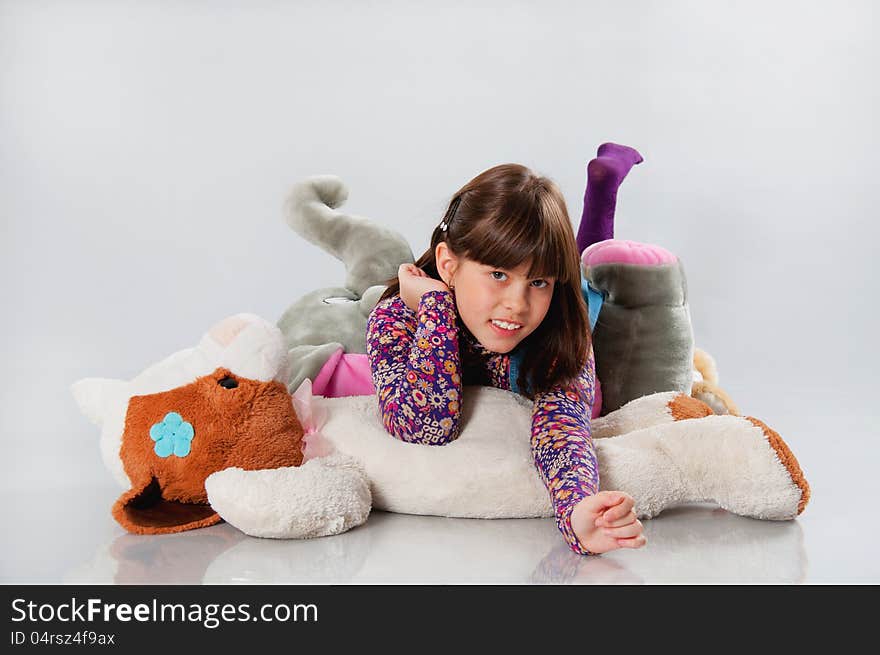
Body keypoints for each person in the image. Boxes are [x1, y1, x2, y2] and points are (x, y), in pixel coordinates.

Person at [365, 163, 646, 555]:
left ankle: (601, 194)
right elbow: (424, 427)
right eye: (498, 274)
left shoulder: (561, 330)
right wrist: (435, 306)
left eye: (538, 282)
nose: (517, 304)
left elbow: (562, 428)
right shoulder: (399, 317)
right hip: (433, 306)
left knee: (591, 273)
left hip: (577, 300)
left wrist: (578, 511)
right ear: (448, 265)